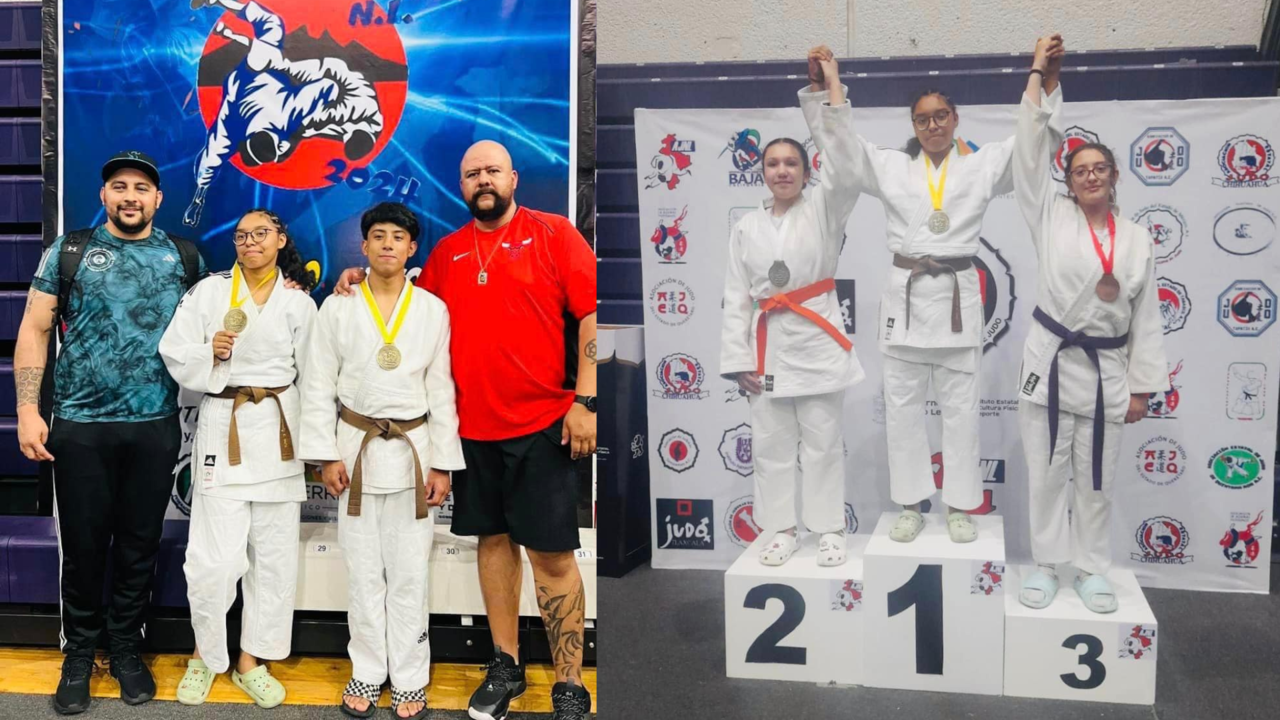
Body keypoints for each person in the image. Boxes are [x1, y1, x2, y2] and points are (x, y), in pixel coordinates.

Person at [334, 140, 597, 720]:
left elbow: (592, 313)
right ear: (462, 184)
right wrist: (354, 279)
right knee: (493, 546)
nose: (483, 179)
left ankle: (570, 680)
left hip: (542, 425)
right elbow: (400, 309)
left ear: (513, 177)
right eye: (472, 172)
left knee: (552, 556)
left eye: (493, 171)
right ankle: (506, 665)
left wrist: (588, 399)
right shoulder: (450, 254)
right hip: (472, 433)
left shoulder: (554, 234)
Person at [802, 40, 1062, 543]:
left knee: (961, 414)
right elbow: (843, 151)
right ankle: (910, 503)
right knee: (901, 413)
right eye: (923, 119)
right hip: (905, 301)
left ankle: (961, 504)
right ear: (914, 126)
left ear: (956, 118)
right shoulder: (891, 167)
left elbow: (1032, 145)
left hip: (956, 304)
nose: (933, 125)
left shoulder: (983, 166)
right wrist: (826, 87)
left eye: (941, 116)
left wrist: (1043, 78)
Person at [13, 151, 207, 714]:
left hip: (153, 427)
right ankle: (78, 654)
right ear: (103, 196)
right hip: (79, 428)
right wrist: (29, 410)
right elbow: (33, 329)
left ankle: (125, 647)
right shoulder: (69, 252)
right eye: (119, 186)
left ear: (158, 199)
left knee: (139, 546)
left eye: (141, 188)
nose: (130, 196)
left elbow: (234, 305)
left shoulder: (183, 257)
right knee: (84, 546)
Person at [1012, 37, 1168, 613]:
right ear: (1069, 180)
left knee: (1097, 480)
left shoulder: (1137, 239)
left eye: (1100, 168)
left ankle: (1093, 570)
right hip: (1051, 364)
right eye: (1080, 170)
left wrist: (1143, 384)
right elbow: (1030, 151)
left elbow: (1145, 314)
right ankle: (1048, 566)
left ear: (1116, 176)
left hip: (1106, 370)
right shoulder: (1050, 216)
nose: (1091, 176)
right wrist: (1041, 78)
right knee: (1048, 475)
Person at [300, 202, 460, 720]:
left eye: (398, 237)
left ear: (413, 249)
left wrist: (443, 464)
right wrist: (324, 456)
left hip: (414, 456)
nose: (388, 244)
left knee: (411, 574)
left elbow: (442, 390)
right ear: (363, 246)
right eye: (378, 236)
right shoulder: (338, 307)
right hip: (357, 452)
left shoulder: (433, 309)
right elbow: (319, 384)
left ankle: (411, 677)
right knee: (364, 574)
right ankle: (368, 671)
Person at [158, 208, 318, 706]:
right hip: (223, 427)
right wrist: (211, 352)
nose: (250, 241)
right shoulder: (209, 292)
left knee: (272, 561)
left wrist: (317, 447)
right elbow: (173, 350)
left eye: (261, 233)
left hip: (278, 432)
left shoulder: (299, 303)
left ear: (280, 238)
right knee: (212, 561)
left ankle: (253, 658)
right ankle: (205, 655)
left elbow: (315, 379)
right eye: (242, 234)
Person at [719, 50, 863, 567]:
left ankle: (828, 529)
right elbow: (737, 295)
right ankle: (780, 528)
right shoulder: (746, 227)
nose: (782, 170)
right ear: (762, 171)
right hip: (768, 346)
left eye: (792, 163)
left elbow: (845, 161)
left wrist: (829, 93)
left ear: (806, 170)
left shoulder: (827, 207)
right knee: (771, 445)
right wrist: (738, 360)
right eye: (773, 163)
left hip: (817, 340)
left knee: (823, 443)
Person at [184, 0, 384, 227]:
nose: (280, 146)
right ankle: (359, 127)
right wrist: (198, 199)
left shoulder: (235, 129)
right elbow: (207, 165)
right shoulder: (232, 132)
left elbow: (328, 86)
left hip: (260, 74)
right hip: (260, 86)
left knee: (271, 25)